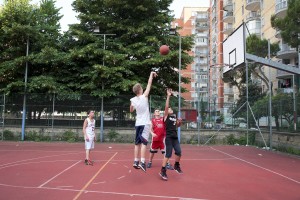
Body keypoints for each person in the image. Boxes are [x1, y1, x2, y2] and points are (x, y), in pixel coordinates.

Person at [130, 71, 157, 172]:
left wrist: (133, 105)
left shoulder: (133, 100)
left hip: (138, 123)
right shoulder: (144, 96)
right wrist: (151, 74)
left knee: (137, 144)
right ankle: (142, 162)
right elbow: (149, 83)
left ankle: (135, 161)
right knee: (144, 143)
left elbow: (131, 110)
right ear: (140, 90)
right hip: (145, 123)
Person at [159, 88, 183, 181]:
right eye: (169, 109)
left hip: (175, 137)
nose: (170, 109)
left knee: (179, 152)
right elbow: (166, 107)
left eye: (171, 108)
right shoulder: (166, 117)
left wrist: (180, 122)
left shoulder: (174, 117)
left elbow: (178, 125)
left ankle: (177, 165)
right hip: (168, 138)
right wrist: (168, 96)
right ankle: (163, 170)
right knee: (168, 155)